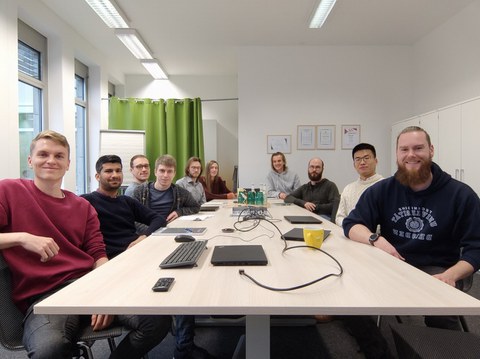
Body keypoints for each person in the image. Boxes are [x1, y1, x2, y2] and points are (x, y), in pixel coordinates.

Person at [0, 130, 170, 358]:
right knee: (48, 350)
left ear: (68, 164)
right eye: (43, 154)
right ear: (30, 160)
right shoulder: (9, 190)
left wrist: (104, 295)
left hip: (88, 285)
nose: (51, 160)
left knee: (158, 321)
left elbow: (98, 255)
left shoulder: (82, 206)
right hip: (46, 297)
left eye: (59, 156)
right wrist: (22, 237)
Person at [342, 126, 480, 357]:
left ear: (431, 150)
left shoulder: (460, 194)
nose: (411, 155)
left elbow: (477, 248)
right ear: (396, 154)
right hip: (393, 264)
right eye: (404, 149)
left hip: (439, 268)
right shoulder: (383, 190)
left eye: (418, 148)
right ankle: (378, 351)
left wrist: (451, 275)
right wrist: (375, 239)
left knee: (441, 313)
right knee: (350, 298)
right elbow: (351, 225)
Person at [132, 155, 211, 359]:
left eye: (169, 172)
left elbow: (195, 207)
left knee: (185, 282)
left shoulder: (178, 192)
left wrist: (179, 211)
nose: (165, 175)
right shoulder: (139, 192)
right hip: (147, 241)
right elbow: (129, 219)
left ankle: (184, 345)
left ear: (174, 173)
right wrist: (153, 231)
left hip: (171, 238)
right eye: (162, 171)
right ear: (155, 172)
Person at [82, 155, 167, 259]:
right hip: (111, 259)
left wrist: (143, 236)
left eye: (118, 171)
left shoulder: (127, 202)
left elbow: (159, 219)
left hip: (137, 252)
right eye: (109, 171)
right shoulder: (86, 201)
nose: (115, 175)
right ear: (97, 176)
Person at [335, 143, 384, 226]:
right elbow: (339, 217)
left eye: (366, 158)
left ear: (376, 161)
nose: (362, 162)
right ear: (354, 164)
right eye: (357, 159)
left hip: (376, 237)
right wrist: (351, 228)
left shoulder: (385, 186)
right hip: (349, 234)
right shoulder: (348, 189)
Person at [284, 157, 340, 222]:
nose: (314, 170)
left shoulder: (330, 186)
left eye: (317, 167)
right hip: (308, 218)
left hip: (324, 219)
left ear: (322, 169)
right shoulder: (305, 187)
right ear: (308, 169)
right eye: (311, 167)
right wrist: (304, 203)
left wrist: (316, 207)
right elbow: (288, 198)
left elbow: (335, 206)